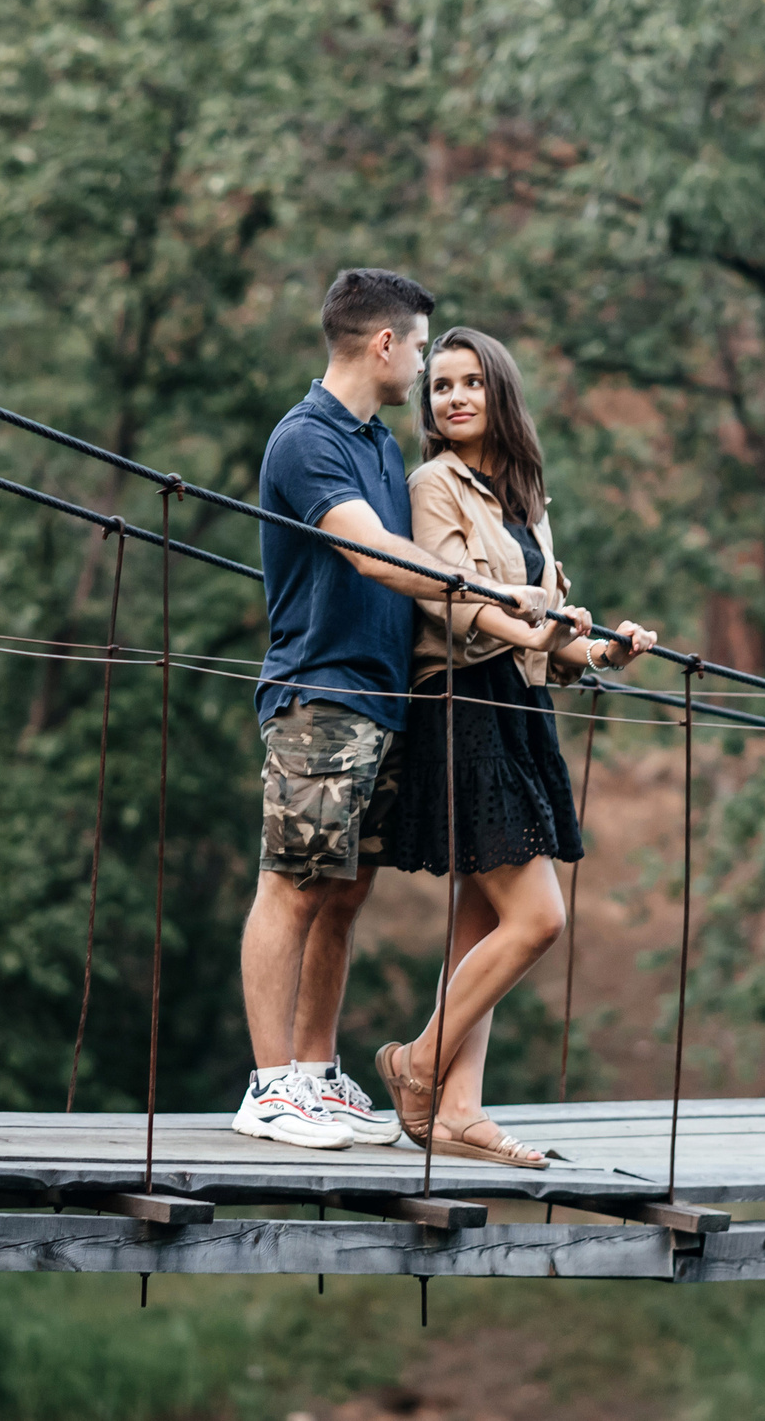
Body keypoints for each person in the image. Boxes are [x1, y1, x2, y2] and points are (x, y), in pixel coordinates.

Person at [235, 273, 553, 1150]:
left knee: (343, 892)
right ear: (385, 345)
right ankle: (268, 1087)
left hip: (388, 701)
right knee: (291, 885)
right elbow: (373, 554)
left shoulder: (377, 443)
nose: (423, 364)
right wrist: (493, 589)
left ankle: (313, 1072)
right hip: (321, 690)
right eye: (419, 347)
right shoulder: (306, 440)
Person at [373, 328, 658, 1167]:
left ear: (500, 393)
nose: (454, 397)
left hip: (519, 706)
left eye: (472, 383)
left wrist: (606, 649)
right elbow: (455, 601)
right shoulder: (434, 484)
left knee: (483, 922)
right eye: (442, 384)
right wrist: (530, 610)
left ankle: (459, 1110)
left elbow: (552, 637)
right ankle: (416, 1064)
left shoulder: (526, 499)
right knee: (537, 917)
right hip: (462, 705)